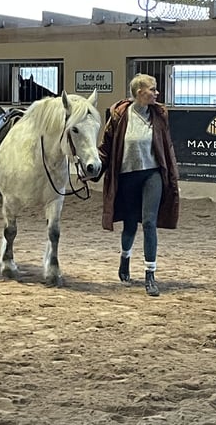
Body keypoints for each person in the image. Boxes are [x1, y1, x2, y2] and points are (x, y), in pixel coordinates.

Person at [95, 73, 179, 297]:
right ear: (139, 92)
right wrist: (94, 169)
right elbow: (106, 146)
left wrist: (171, 173)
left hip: (152, 174)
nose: (156, 93)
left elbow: (166, 145)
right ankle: (125, 259)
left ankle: (150, 275)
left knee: (149, 222)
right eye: (152, 89)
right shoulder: (119, 115)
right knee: (130, 223)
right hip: (127, 176)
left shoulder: (159, 115)